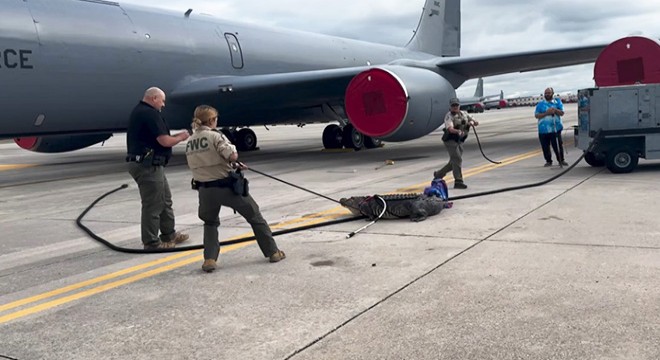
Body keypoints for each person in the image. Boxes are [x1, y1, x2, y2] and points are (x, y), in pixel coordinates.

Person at [185, 105, 285, 273]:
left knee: (210, 223)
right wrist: (234, 158)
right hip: (226, 187)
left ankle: (209, 259)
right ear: (211, 120)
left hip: (205, 191)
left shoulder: (191, 141)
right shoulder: (215, 136)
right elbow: (231, 155)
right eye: (215, 119)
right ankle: (273, 252)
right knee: (255, 216)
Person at [126, 87, 190, 249]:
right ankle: (151, 242)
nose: (163, 104)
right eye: (162, 101)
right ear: (154, 98)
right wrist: (183, 136)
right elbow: (165, 141)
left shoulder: (141, 111)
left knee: (165, 200)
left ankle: (169, 235)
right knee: (153, 204)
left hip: (152, 164)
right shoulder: (149, 113)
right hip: (147, 166)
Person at [433, 98, 479, 189]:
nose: (455, 107)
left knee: (454, 162)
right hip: (451, 140)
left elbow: (476, 122)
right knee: (457, 159)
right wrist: (457, 131)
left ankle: (439, 174)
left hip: (460, 141)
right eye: (453, 105)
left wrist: (472, 122)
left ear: (459, 106)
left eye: (456, 105)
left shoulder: (464, 114)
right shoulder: (448, 116)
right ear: (450, 107)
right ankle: (458, 181)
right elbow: (450, 128)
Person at [535, 87, 568, 167]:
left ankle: (561, 160)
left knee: (558, 145)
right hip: (543, 130)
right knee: (545, 147)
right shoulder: (540, 104)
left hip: (555, 128)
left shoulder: (557, 102)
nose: (547, 94)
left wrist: (555, 110)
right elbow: (537, 115)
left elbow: (562, 113)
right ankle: (548, 161)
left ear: (552, 93)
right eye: (546, 93)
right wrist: (546, 113)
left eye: (548, 93)